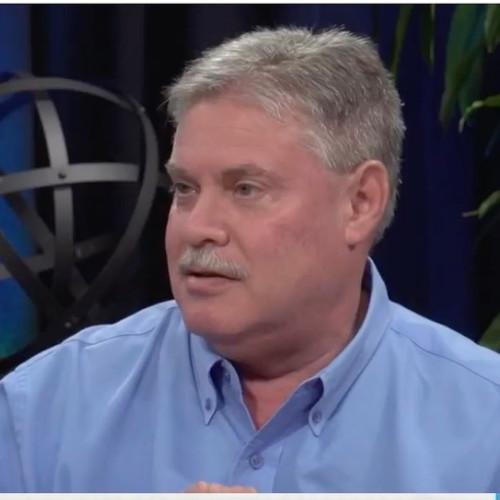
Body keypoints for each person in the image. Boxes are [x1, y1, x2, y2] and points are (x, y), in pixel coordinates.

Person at [1, 26, 500, 493]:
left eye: (245, 189)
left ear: (360, 203)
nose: (198, 227)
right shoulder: (43, 408)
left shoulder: (485, 423)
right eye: (184, 188)